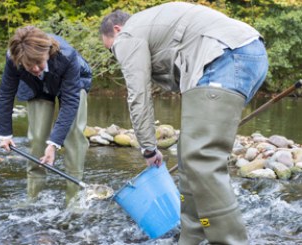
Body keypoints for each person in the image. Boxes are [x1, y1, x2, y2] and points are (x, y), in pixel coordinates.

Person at [100, 2, 268, 244]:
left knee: (202, 158)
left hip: (227, 57)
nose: (115, 55)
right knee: (188, 158)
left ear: (116, 29)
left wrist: (148, 148)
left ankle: (230, 240)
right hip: (243, 56)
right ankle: (193, 237)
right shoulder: (153, 26)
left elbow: (139, 94)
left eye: (111, 49)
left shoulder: (127, 35)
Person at [0, 26, 92, 205]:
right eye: (29, 66)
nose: (35, 68)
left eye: (38, 63)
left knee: (73, 137)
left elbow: (71, 102)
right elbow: (6, 93)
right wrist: (5, 134)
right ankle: (33, 197)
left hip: (72, 84)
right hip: (37, 87)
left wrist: (54, 143)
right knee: (37, 139)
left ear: (47, 52)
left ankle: (73, 199)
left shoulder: (67, 56)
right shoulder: (14, 58)